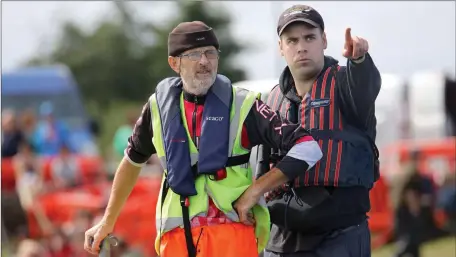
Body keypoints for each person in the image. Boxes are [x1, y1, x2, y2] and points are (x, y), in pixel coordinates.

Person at [84, 21, 323, 257]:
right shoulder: (157, 107)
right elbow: (131, 161)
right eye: (194, 54)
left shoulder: (245, 104)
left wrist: (254, 192)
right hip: (176, 239)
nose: (204, 62)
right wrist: (107, 221)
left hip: (231, 236)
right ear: (174, 62)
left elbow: (307, 147)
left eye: (210, 53)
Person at [256, 5, 382, 257]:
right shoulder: (269, 101)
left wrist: (359, 59)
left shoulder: (347, 84)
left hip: (341, 234)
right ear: (281, 48)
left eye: (309, 37)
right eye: (291, 40)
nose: (301, 46)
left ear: (324, 40)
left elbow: (366, 85)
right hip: (282, 235)